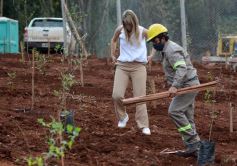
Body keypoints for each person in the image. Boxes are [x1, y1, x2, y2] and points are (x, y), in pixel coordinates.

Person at [147, 23, 201, 156]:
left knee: (174, 111)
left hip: (188, 85)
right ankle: (195, 149)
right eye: (152, 41)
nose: (154, 44)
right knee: (188, 117)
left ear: (162, 37)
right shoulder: (166, 50)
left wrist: (174, 86)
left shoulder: (171, 50)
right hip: (187, 84)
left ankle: (195, 143)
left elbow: (182, 68)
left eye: (155, 40)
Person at [110, 9, 150, 135]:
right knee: (116, 95)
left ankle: (143, 125)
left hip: (139, 66)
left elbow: (154, 40)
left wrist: (152, 55)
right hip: (122, 65)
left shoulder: (143, 31)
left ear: (134, 22)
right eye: (125, 24)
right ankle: (123, 117)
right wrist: (112, 54)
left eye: (130, 24)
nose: (128, 27)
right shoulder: (120, 30)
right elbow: (113, 40)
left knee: (140, 97)